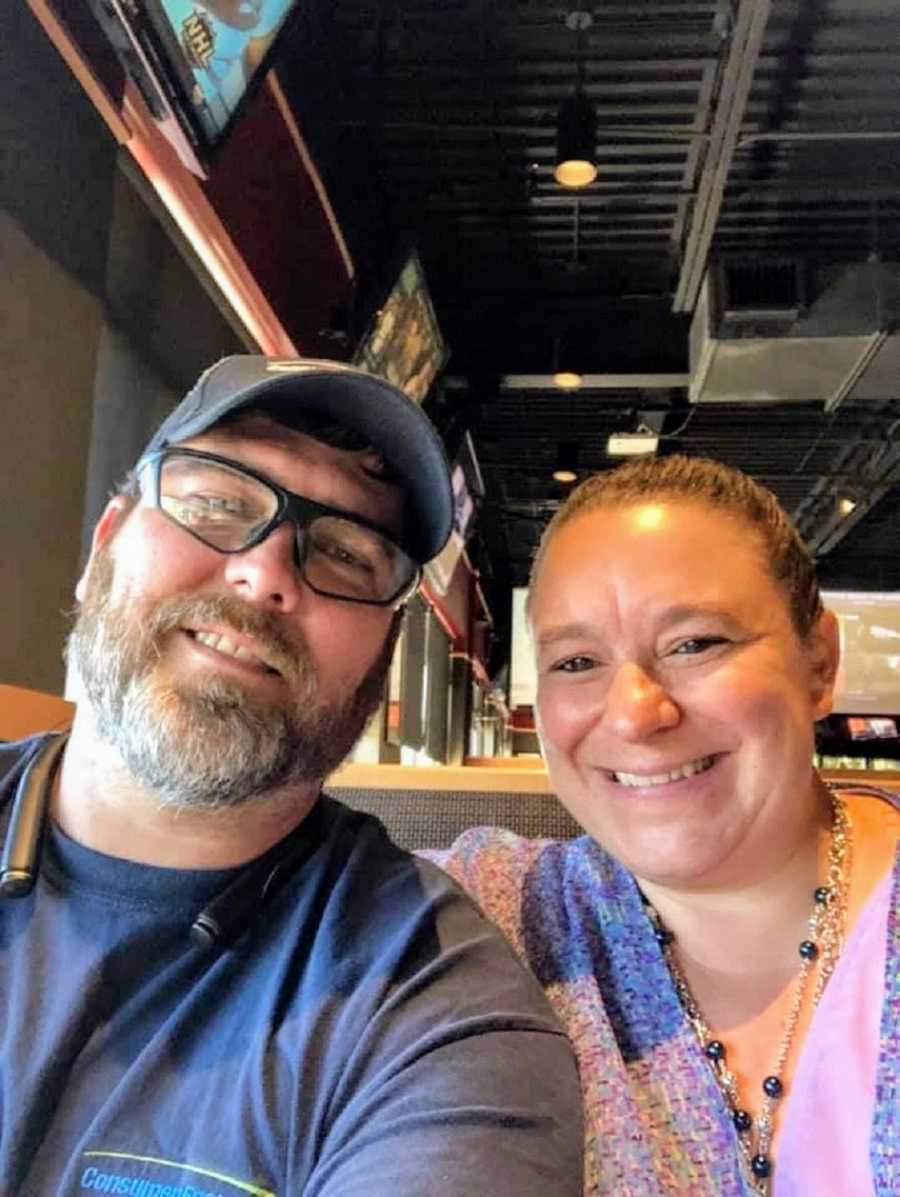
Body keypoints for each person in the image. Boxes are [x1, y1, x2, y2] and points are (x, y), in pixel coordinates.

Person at [0, 356, 583, 1196]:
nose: (264, 573)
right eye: (217, 503)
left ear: (382, 658)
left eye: (346, 553)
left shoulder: (435, 1010)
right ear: (104, 547)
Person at [428, 455, 899, 1197]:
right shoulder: (489, 914)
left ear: (819, 663)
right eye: (577, 660)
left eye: (695, 643)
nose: (636, 713)